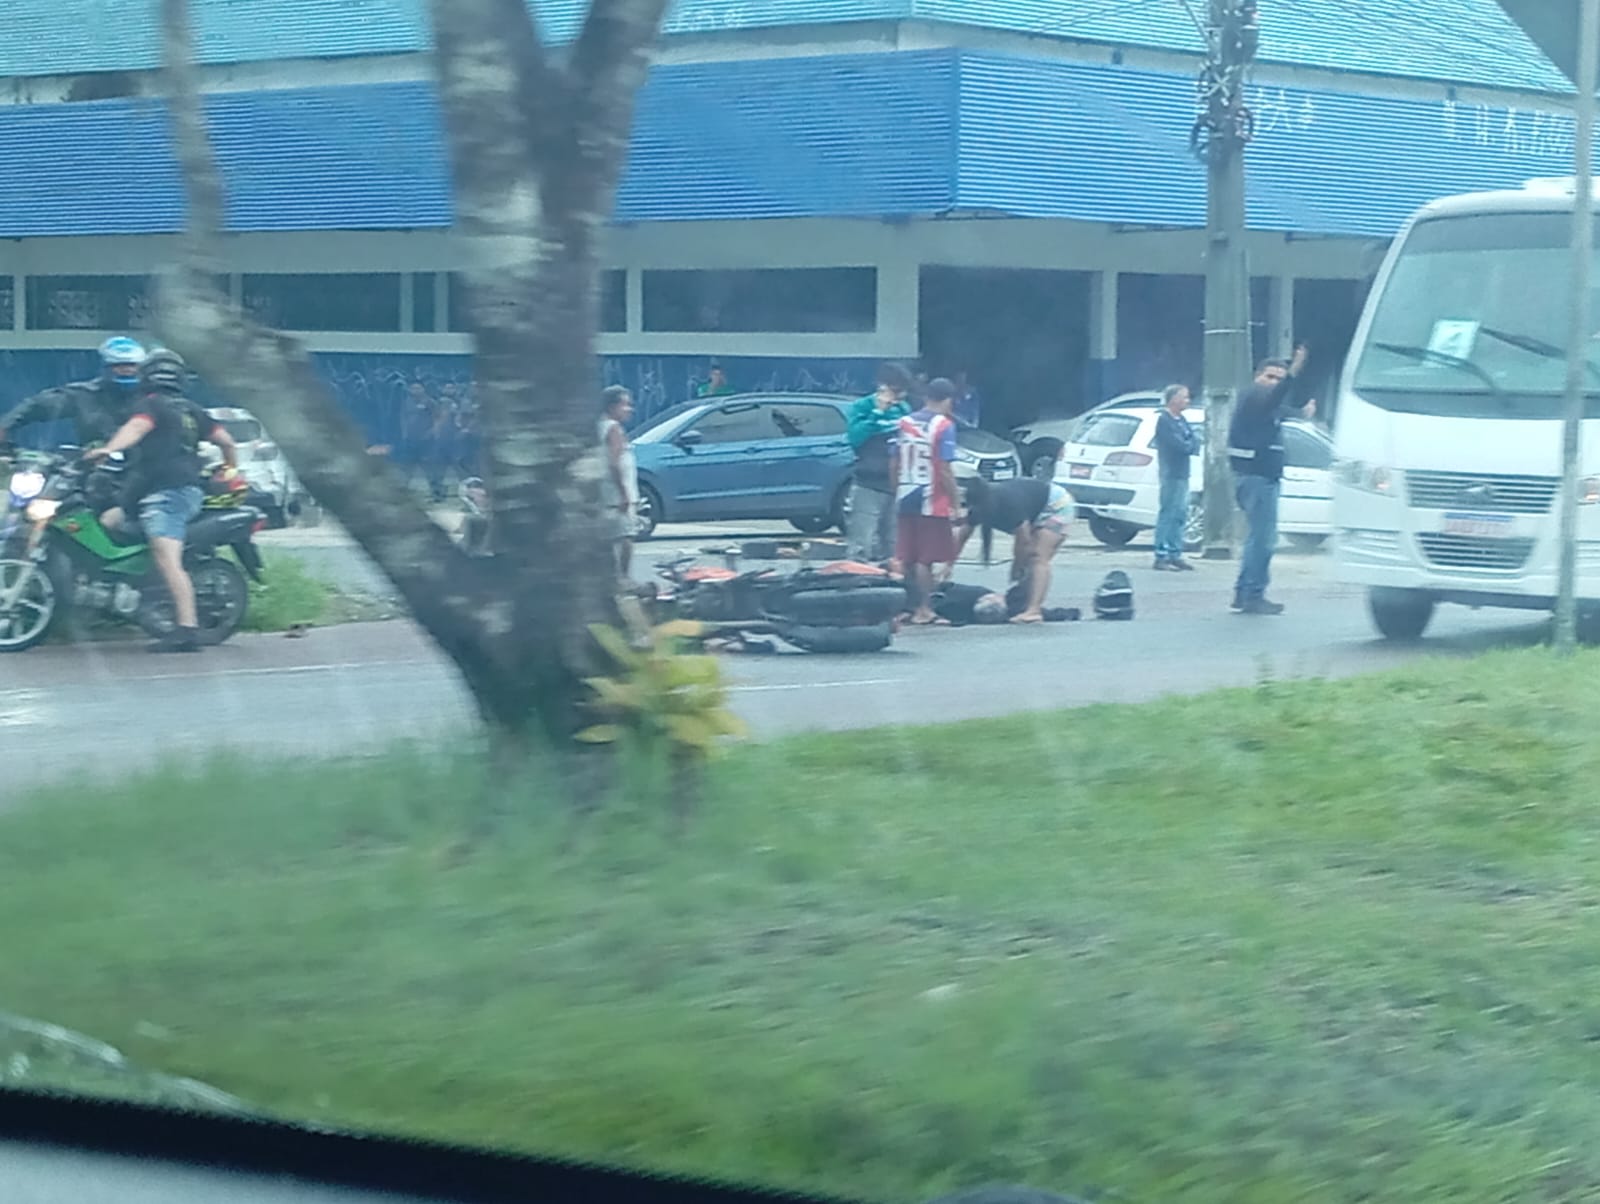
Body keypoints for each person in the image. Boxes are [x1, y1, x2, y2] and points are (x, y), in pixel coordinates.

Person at [85, 349, 238, 653]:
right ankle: (128, 594)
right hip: (156, 491)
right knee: (107, 522)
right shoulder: (192, 409)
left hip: (169, 494)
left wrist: (106, 450)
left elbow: (137, 427)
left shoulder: (150, 405)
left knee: (166, 556)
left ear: (146, 375)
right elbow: (227, 442)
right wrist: (230, 469)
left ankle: (187, 629)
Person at [1227, 345, 1315, 615]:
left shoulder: (1263, 406)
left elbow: (1282, 410)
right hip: (1257, 479)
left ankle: (1244, 593)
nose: (1274, 383)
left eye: (1278, 378)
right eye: (1270, 377)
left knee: (1257, 539)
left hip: (1259, 477)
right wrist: (1293, 371)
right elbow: (1275, 400)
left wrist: (1303, 413)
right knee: (1264, 541)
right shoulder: (1253, 397)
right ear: (1257, 377)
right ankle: (1254, 593)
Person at [952, 475, 1073, 624]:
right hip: (1033, 509)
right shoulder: (979, 508)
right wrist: (948, 564)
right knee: (1029, 561)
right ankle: (1022, 604)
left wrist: (1016, 566)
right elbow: (962, 536)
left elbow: (1024, 541)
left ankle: (1034, 610)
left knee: (1038, 557)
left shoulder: (1007, 504)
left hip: (1056, 504)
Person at [893, 377, 960, 625]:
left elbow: (894, 462)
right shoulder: (943, 426)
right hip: (931, 500)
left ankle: (905, 607)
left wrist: (897, 489)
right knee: (925, 559)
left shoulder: (904, 422)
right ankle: (924, 609)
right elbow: (944, 469)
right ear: (948, 400)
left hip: (905, 494)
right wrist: (955, 501)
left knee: (905, 557)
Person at [0, 336, 147, 448]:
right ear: (105, 368)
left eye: (132, 365)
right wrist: (6, 425)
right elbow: (38, 405)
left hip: (146, 471)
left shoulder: (153, 396)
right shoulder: (84, 395)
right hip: (92, 466)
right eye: (119, 365)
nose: (127, 370)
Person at [845, 362, 913, 564]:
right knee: (861, 542)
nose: (901, 395)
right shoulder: (862, 407)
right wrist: (878, 413)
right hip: (868, 484)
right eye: (898, 390)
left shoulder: (903, 409)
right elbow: (855, 438)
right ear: (883, 387)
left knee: (893, 543)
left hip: (895, 484)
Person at [1151, 383, 1198, 571]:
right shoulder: (1165, 421)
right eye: (1184, 397)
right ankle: (1161, 555)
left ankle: (1175, 553)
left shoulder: (1182, 420)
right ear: (1173, 399)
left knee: (1180, 514)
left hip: (1183, 472)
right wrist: (1187, 445)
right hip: (1170, 472)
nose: (1188, 400)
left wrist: (1189, 444)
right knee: (1168, 512)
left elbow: (1194, 442)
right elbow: (1179, 446)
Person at [599, 385, 639, 583]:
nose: (629, 409)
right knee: (626, 538)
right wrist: (623, 493)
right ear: (612, 406)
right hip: (616, 494)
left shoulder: (597, 427)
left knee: (608, 540)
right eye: (625, 405)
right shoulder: (613, 429)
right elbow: (614, 463)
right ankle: (622, 579)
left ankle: (612, 579)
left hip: (603, 493)